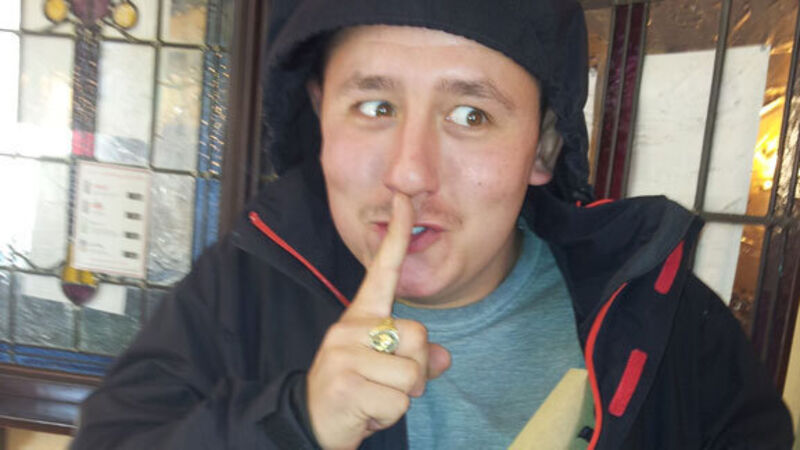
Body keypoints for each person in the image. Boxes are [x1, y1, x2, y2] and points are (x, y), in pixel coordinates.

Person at [71, 0, 794, 449]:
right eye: (375, 107)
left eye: (470, 115)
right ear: (320, 116)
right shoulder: (243, 287)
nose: (410, 172)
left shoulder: (661, 314)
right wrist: (295, 422)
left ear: (543, 148)